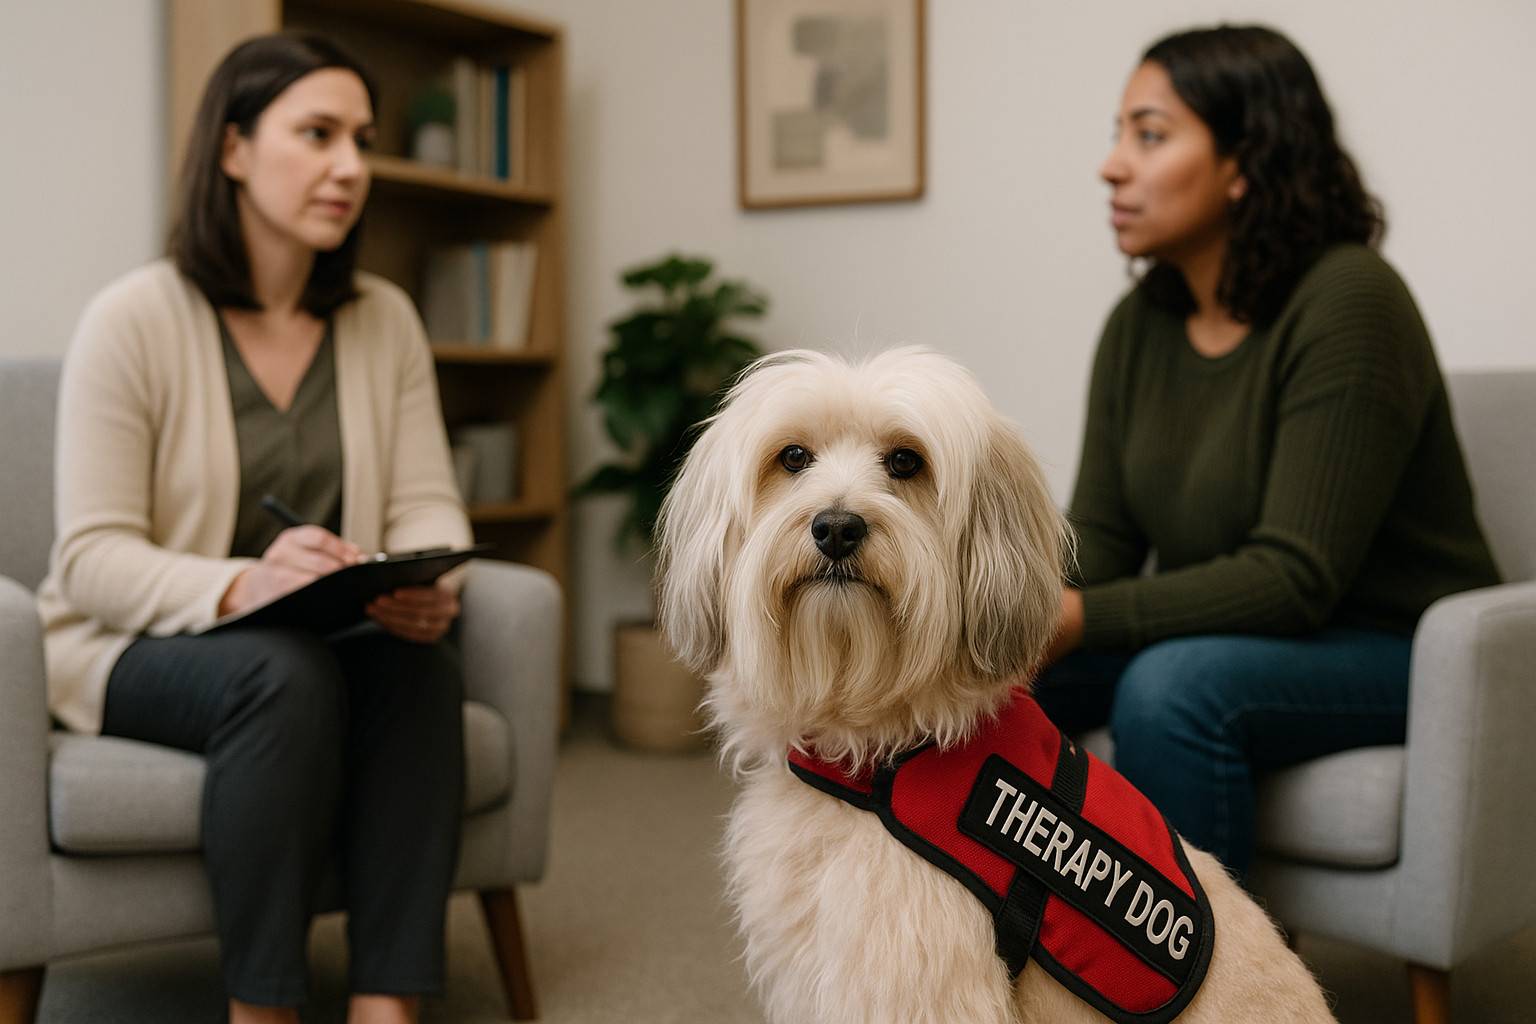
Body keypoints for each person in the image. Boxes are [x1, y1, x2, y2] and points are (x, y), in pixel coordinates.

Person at [36, 32, 472, 1024]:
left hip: (317, 629)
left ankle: (384, 1001)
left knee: (417, 670)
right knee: (284, 674)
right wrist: (242, 585)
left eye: (361, 138)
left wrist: (427, 575)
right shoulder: (130, 318)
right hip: (136, 645)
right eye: (317, 133)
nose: (351, 166)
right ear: (233, 148)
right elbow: (88, 557)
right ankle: (262, 1007)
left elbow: (428, 499)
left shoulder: (383, 319)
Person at [1034, 25, 1500, 882]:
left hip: (1397, 649)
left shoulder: (1351, 300)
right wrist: (998, 607)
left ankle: (1209, 1000)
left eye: (1150, 134)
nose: (1112, 165)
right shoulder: (1138, 327)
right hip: (1237, 632)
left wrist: (1078, 621)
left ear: (1243, 161)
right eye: (1118, 134)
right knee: (963, 685)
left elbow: (1294, 577)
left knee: (1171, 690)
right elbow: (1098, 538)